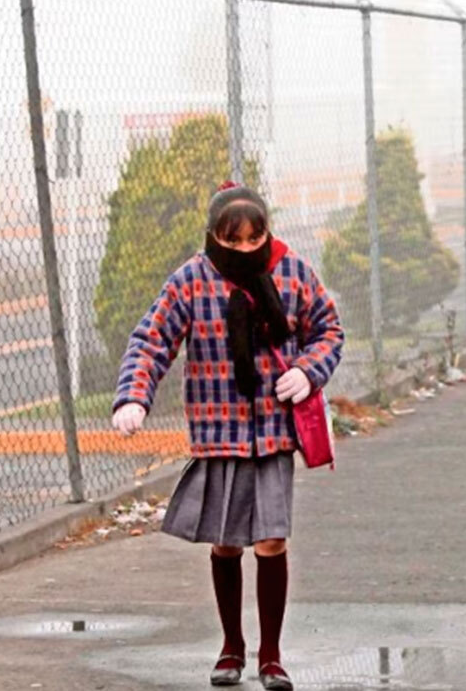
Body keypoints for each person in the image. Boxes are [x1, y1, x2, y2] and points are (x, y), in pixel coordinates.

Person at [111, 182, 344, 690]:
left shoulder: (291, 270)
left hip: (273, 433)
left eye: (253, 238)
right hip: (218, 431)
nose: (243, 249)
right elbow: (151, 340)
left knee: (271, 540)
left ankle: (272, 657)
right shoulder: (192, 280)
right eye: (231, 239)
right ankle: (231, 646)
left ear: (266, 232)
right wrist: (133, 396)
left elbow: (328, 328)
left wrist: (308, 370)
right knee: (224, 544)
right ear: (214, 235)